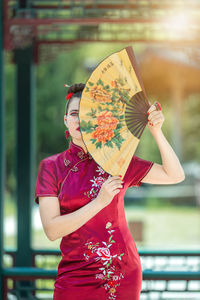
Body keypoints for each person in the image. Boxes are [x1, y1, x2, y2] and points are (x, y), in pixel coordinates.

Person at [35, 83, 185, 300]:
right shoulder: (51, 167)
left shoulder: (117, 160)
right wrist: (99, 201)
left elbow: (175, 175)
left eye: (86, 113)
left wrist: (156, 132)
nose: (80, 119)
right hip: (74, 276)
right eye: (74, 113)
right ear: (66, 119)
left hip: (121, 272)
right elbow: (52, 229)